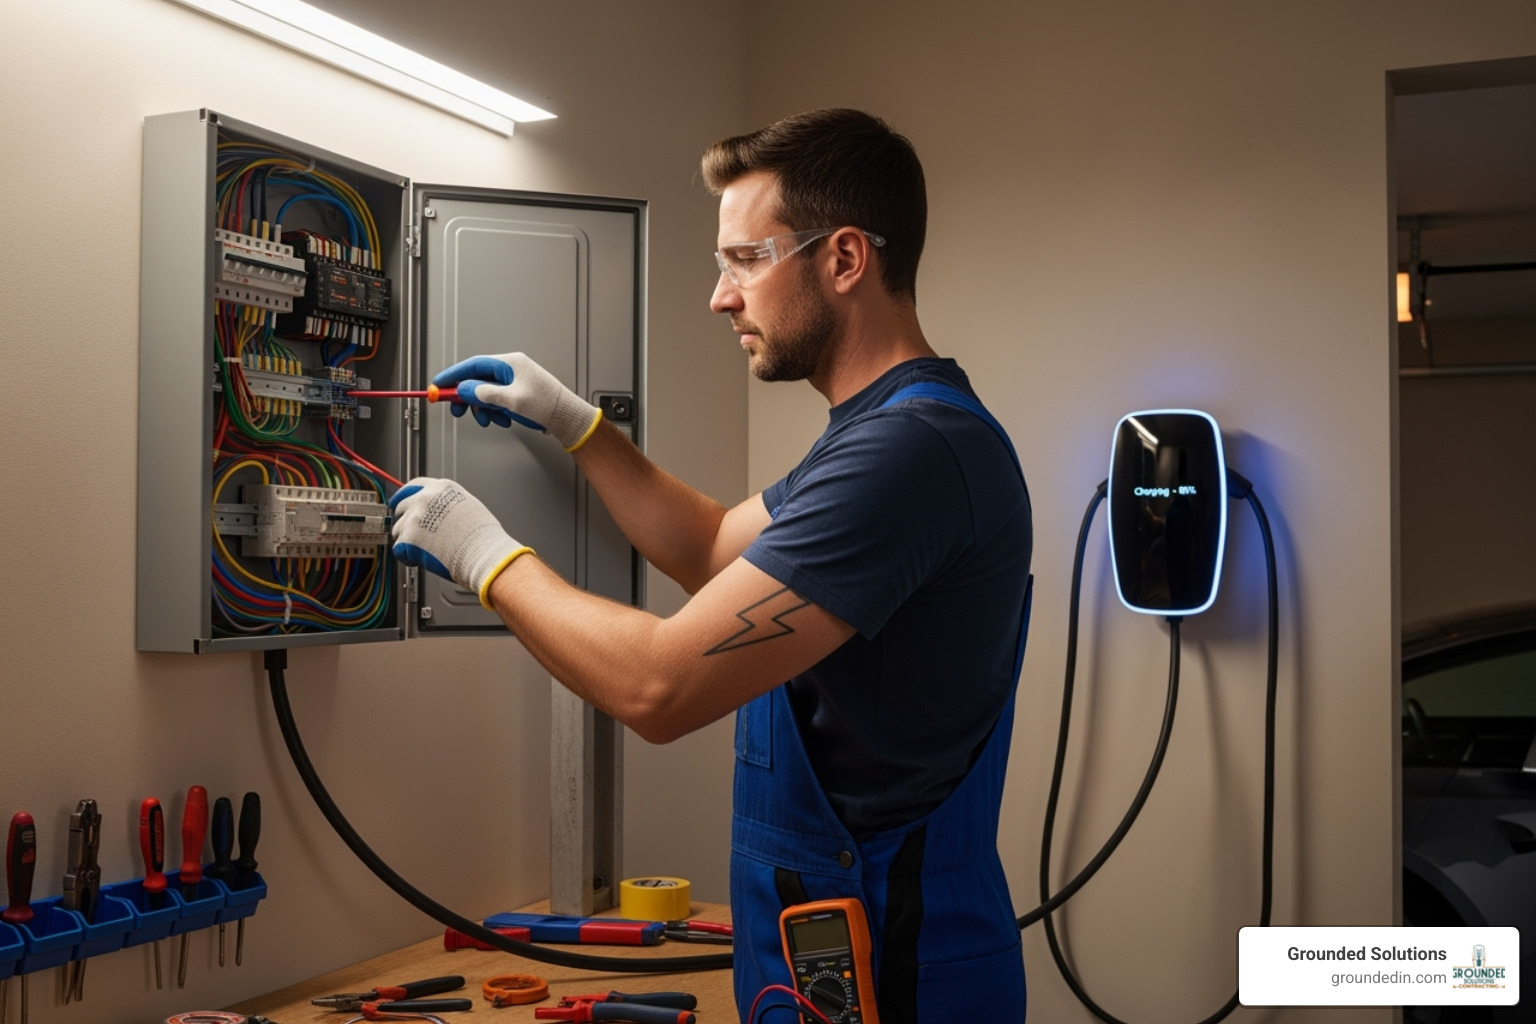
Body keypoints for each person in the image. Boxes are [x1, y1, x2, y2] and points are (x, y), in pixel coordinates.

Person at [389, 108, 1033, 1022]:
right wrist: (576, 424)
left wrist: (481, 552)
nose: (720, 297)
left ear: (844, 259)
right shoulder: (879, 433)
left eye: (745, 260)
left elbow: (659, 688)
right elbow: (712, 550)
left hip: (902, 969)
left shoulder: (911, 453)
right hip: (829, 951)